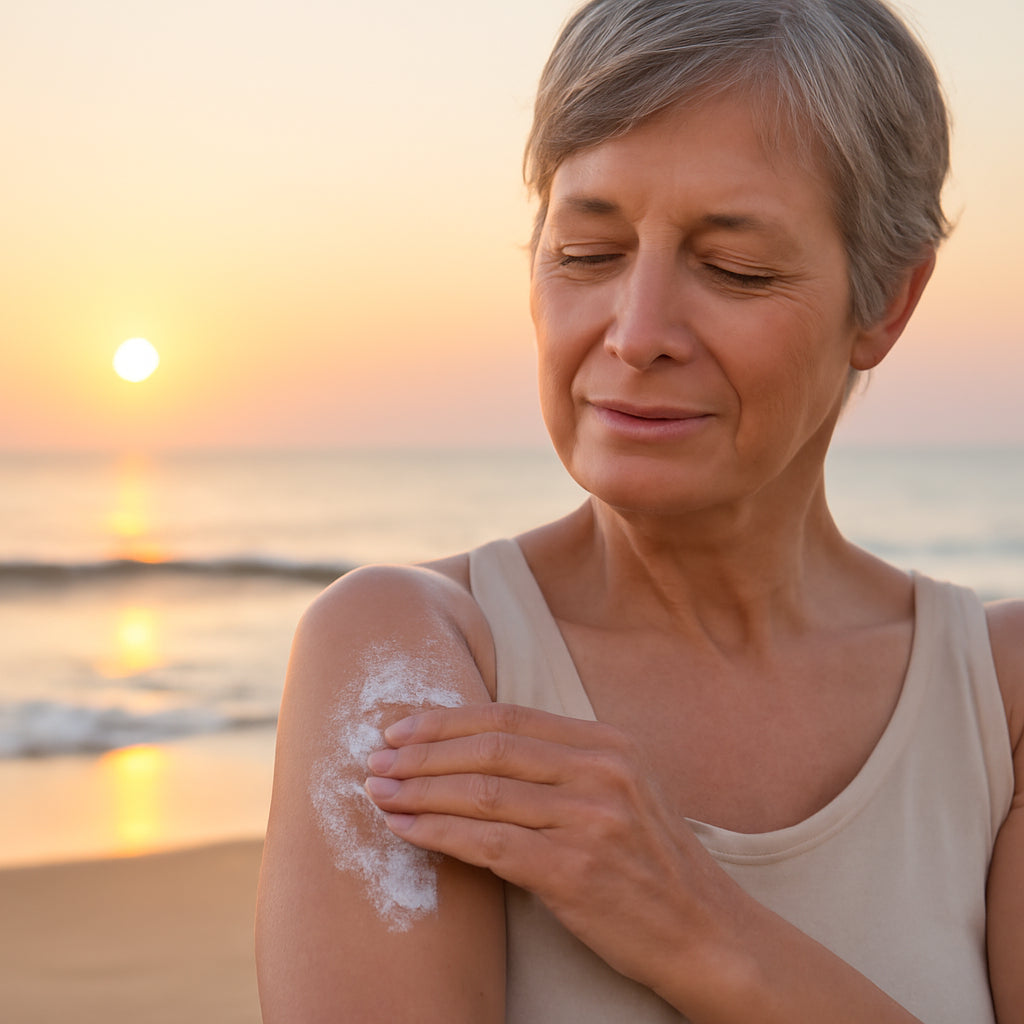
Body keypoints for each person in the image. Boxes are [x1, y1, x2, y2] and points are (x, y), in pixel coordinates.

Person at [255, 1, 1024, 1020]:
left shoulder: (999, 701)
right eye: (586, 253)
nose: (636, 331)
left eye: (732, 267)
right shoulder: (416, 657)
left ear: (883, 302)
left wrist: (699, 926)